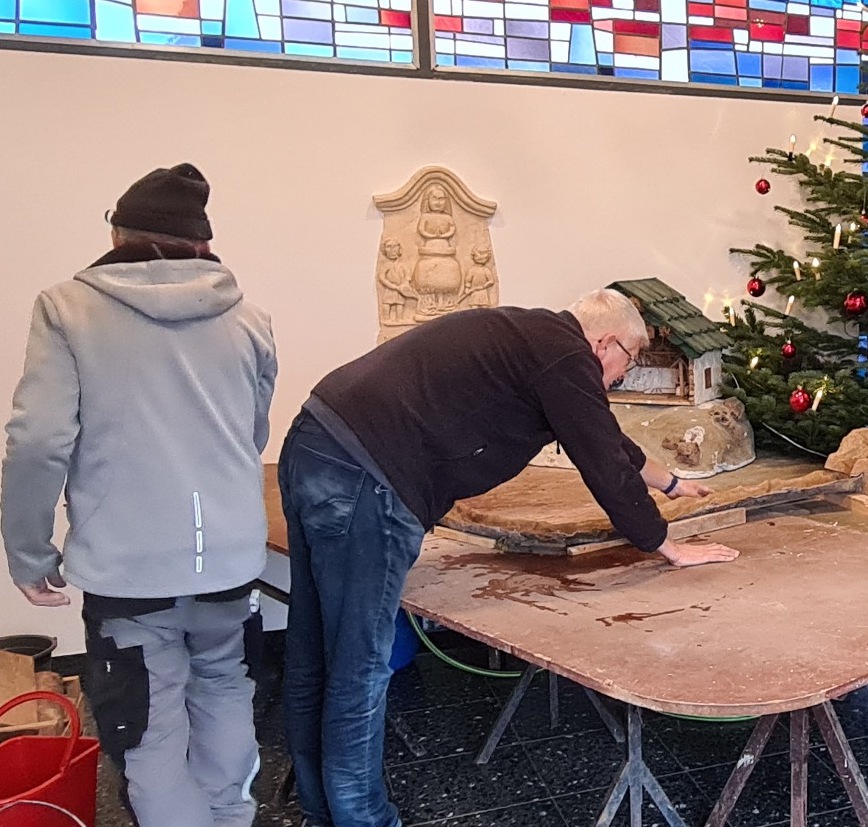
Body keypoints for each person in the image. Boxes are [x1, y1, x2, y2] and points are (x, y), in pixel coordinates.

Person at [277, 289, 739, 827]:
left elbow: (606, 439)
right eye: (629, 361)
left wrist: (673, 483)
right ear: (605, 342)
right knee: (359, 665)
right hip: (369, 476)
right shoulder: (567, 356)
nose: (622, 377)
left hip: (315, 441)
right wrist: (665, 545)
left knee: (313, 649)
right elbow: (605, 467)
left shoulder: (537, 339)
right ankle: (363, 821)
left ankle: (319, 811)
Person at [1, 163, 278, 827]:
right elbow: (252, 431)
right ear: (203, 244)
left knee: (148, 726)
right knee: (225, 689)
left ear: (117, 234)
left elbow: (37, 442)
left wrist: (28, 553)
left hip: (129, 568)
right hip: (231, 557)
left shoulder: (66, 309)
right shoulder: (251, 318)